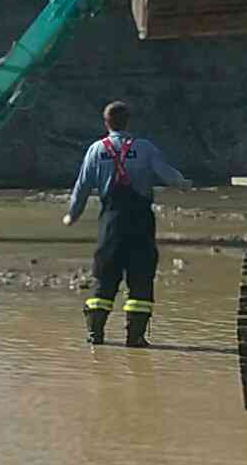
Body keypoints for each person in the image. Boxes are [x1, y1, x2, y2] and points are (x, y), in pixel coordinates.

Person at [62, 100, 192, 347]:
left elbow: (82, 187)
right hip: (140, 223)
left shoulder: (96, 150)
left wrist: (72, 215)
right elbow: (168, 175)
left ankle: (95, 335)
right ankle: (136, 338)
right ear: (128, 121)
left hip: (111, 222)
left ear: (106, 123)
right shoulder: (144, 148)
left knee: (105, 277)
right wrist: (184, 184)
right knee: (141, 278)